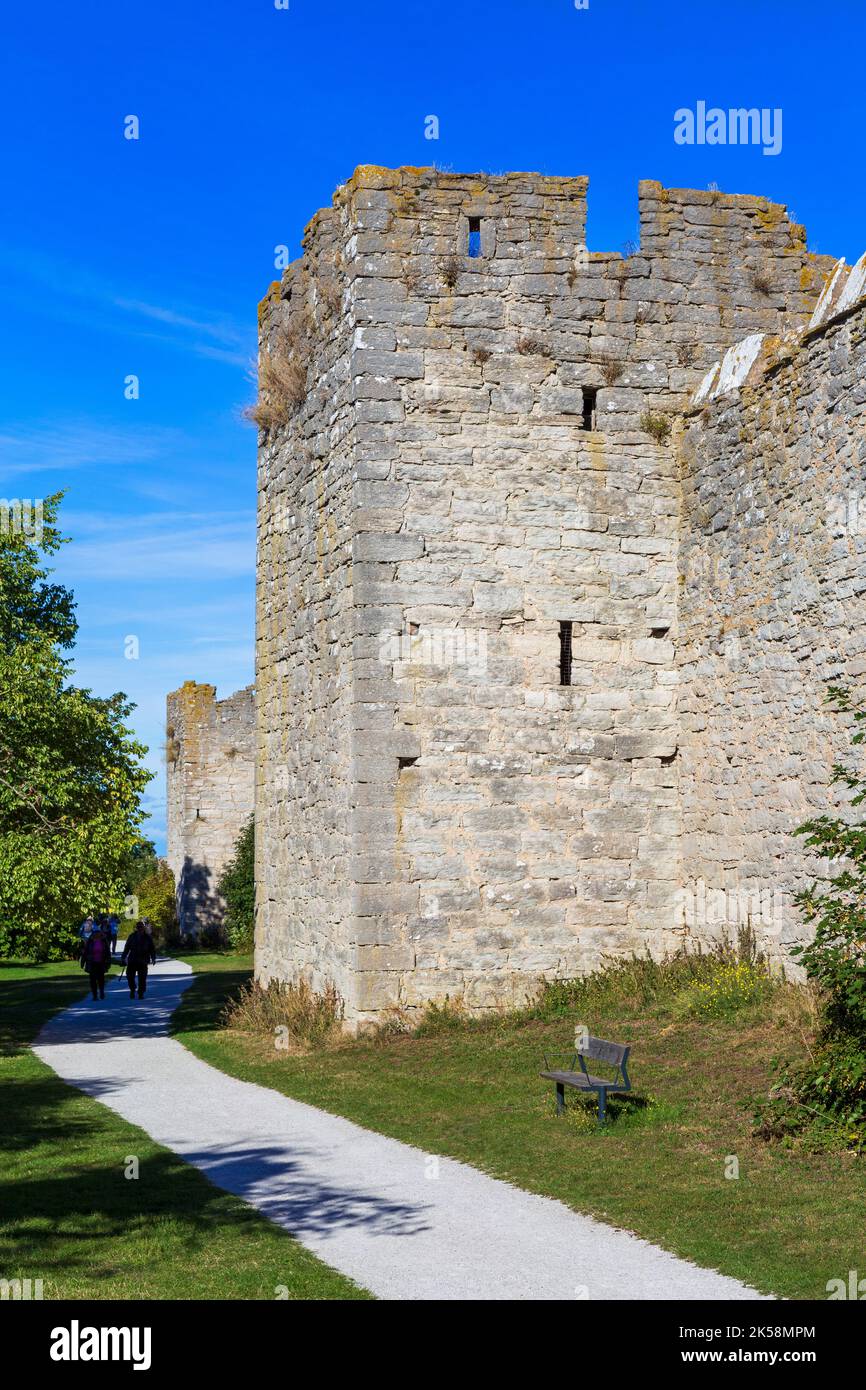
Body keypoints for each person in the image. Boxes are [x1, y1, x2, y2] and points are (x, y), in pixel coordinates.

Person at [121, 921, 156, 999]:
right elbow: (126, 948)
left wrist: (153, 958)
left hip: (143, 961)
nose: (139, 928)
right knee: (129, 976)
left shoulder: (148, 937)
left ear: (143, 927)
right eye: (138, 927)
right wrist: (123, 957)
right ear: (136, 928)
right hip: (132, 960)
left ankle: (141, 993)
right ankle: (133, 989)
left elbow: (152, 949)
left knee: (142, 978)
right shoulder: (132, 936)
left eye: (141, 927)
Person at [81, 927, 111, 1001]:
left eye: (98, 932)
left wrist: (108, 962)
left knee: (101, 979)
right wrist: (83, 961)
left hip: (101, 963)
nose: (97, 934)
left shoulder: (104, 941)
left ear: (100, 933)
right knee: (92, 980)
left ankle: (101, 992)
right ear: (93, 933)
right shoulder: (90, 941)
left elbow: (108, 953)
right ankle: (94, 995)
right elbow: (85, 952)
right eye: (95, 932)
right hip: (92, 963)